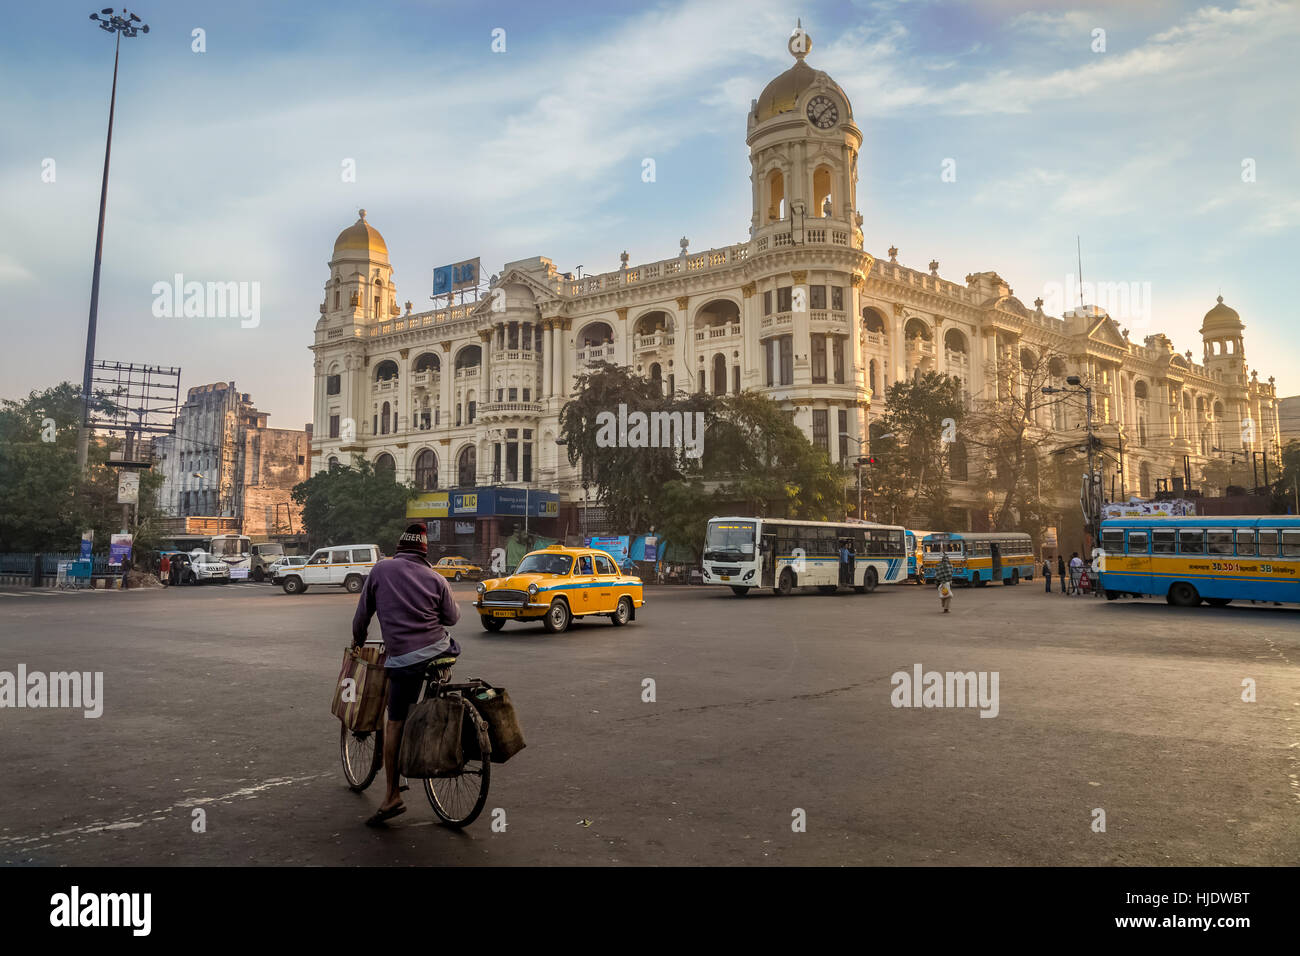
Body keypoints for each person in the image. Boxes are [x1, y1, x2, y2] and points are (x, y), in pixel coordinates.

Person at [352, 523, 461, 827]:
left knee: (395, 721)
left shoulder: (381, 571)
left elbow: (362, 616)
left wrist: (358, 641)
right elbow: (452, 617)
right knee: (434, 671)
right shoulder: (436, 578)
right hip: (441, 651)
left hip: (405, 659)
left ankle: (391, 796)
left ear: (400, 549)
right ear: (425, 553)